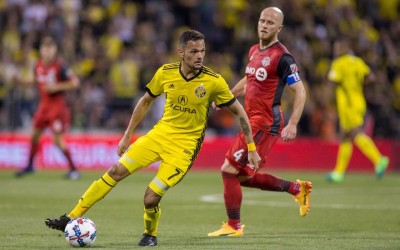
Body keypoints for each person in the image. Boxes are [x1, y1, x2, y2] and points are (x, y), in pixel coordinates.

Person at [45, 30, 261, 247]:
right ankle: (70, 217)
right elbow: (145, 101)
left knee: (150, 197)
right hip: (159, 135)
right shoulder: (165, 73)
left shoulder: (213, 81)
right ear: (181, 52)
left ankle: (150, 235)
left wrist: (251, 147)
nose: (199, 56)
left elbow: (241, 114)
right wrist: (127, 135)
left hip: (184, 149)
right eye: (194, 51)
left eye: (202, 51)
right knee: (115, 171)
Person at [208, 7, 311, 237]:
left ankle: (233, 226)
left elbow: (300, 91)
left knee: (228, 169)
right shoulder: (254, 50)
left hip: (265, 123)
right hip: (251, 120)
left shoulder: (283, 57)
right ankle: (297, 188)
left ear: (279, 28)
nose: (264, 25)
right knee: (243, 177)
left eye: (270, 23)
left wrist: (292, 124)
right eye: (262, 21)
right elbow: (248, 80)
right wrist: (227, 99)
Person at [15, 36, 80, 180]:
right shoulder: (37, 65)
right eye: (45, 49)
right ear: (41, 50)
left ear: (55, 50)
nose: (48, 52)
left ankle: (74, 169)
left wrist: (57, 86)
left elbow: (75, 82)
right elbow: (35, 80)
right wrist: (21, 82)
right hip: (43, 106)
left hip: (57, 107)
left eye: (50, 49)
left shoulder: (61, 66)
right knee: (34, 136)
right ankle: (30, 166)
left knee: (57, 140)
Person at [326, 38, 390, 183]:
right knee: (345, 136)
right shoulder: (358, 62)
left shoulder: (339, 63)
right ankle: (338, 173)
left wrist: (329, 99)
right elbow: (371, 77)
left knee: (354, 133)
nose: (335, 51)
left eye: (337, 48)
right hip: (359, 101)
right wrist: (358, 84)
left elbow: (332, 81)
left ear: (343, 48)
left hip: (347, 104)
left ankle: (379, 159)